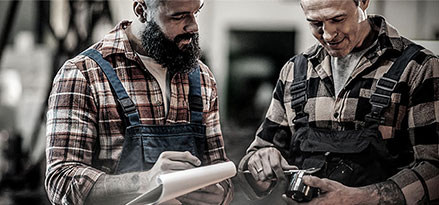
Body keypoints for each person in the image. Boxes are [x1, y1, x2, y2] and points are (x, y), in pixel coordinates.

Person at [238, 0, 438, 204]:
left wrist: (361, 198)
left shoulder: (418, 68)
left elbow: (434, 167)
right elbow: (256, 157)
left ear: (363, 2)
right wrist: (260, 163)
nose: (328, 35)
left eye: (338, 19)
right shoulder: (295, 71)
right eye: (316, 23)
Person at [45, 0, 233, 204]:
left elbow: (219, 167)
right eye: (178, 16)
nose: (193, 26)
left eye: (195, 12)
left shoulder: (203, 78)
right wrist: (145, 182)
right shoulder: (83, 74)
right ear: (141, 11)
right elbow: (61, 182)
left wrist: (221, 193)